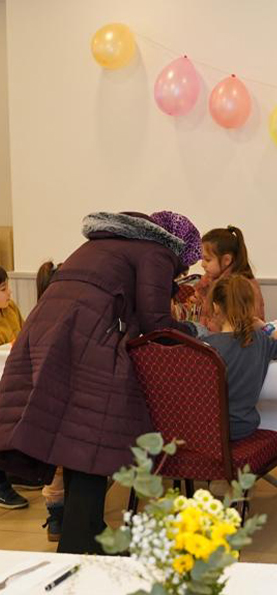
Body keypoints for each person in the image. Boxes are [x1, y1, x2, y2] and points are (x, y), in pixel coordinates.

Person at [0, 210, 201, 554]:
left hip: (50, 332)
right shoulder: (157, 251)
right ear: (179, 249)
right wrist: (192, 332)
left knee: (76, 443)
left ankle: (91, 533)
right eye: (183, 268)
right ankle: (75, 551)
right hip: (85, 342)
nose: (180, 274)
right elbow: (156, 322)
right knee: (91, 442)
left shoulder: (107, 242)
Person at [204, 276, 277, 441]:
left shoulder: (205, 346)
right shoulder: (261, 339)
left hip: (208, 431)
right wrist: (265, 327)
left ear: (216, 307)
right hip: (244, 429)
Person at [35, 260, 65, 541]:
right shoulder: (60, 321)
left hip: (44, 407)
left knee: (54, 467)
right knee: (61, 466)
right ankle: (59, 516)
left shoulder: (37, 318)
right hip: (58, 404)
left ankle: (55, 515)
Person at [189, 226, 265, 332]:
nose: (202, 265)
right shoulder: (207, 283)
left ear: (226, 260)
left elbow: (243, 330)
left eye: (207, 259)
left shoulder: (242, 288)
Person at [0, 266, 28, 511]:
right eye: (2, 289)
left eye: (7, 286)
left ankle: (16, 470)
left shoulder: (11, 309)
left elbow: (23, 334)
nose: (9, 293)